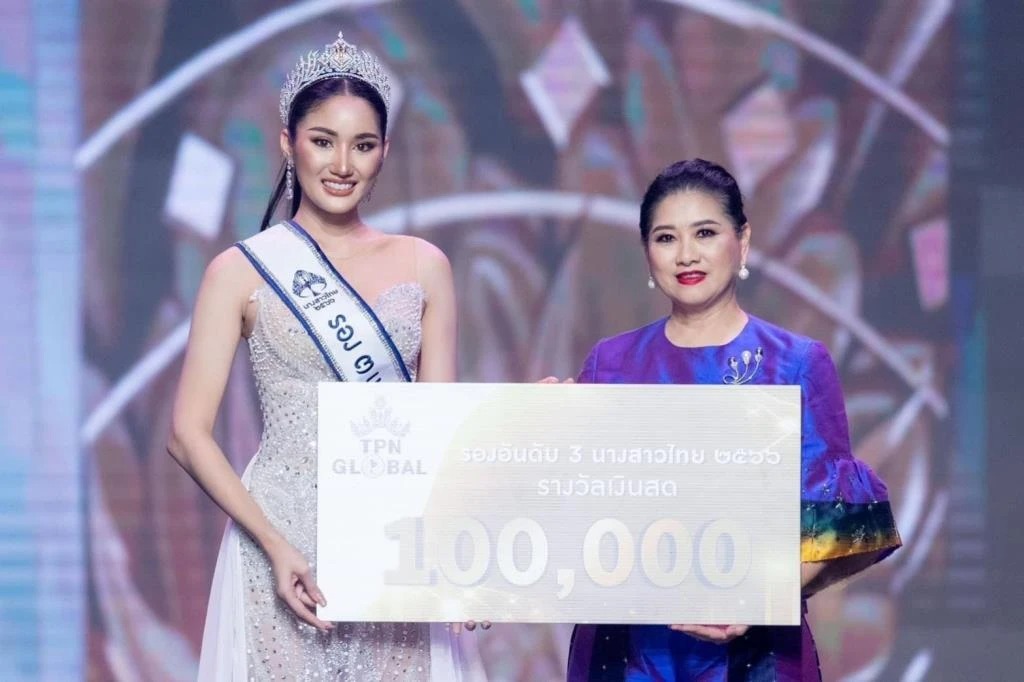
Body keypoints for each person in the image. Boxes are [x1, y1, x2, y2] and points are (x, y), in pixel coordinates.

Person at [167, 32, 486, 680]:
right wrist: (273, 544)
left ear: (384, 153)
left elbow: (438, 432)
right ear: (288, 144)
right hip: (278, 542)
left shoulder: (425, 266)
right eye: (323, 141)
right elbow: (186, 434)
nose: (342, 164)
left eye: (363, 145)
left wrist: (456, 559)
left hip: (391, 544)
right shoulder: (239, 271)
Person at [565, 159, 902, 681]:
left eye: (705, 233)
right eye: (666, 238)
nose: (686, 254)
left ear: (742, 242)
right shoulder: (610, 363)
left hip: (751, 658)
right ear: (647, 253)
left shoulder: (794, 363)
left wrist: (752, 596)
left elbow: (836, 521)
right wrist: (539, 429)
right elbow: (573, 508)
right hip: (626, 656)